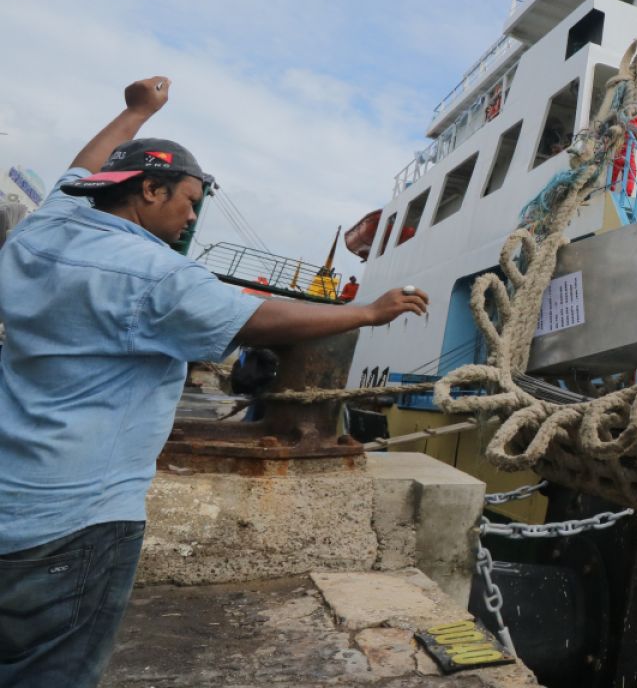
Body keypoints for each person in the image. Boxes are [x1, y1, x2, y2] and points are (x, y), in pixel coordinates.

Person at [0, 77, 430, 688]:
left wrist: (137, 113)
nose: (193, 214)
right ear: (149, 191)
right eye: (189, 200)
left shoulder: (44, 229)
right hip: (79, 522)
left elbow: (81, 170)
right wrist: (368, 312)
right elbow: (257, 318)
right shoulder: (155, 274)